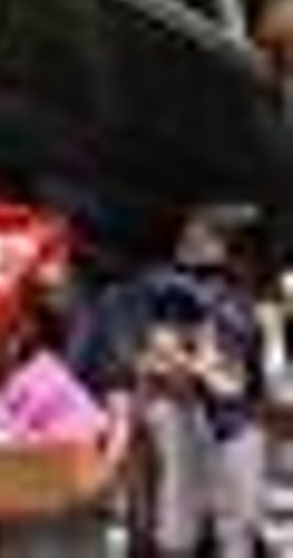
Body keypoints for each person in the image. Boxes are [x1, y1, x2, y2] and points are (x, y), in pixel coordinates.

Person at [75, 204, 265, 558]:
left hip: (209, 422)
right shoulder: (177, 293)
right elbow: (157, 364)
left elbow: (234, 373)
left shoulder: (217, 295)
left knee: (208, 523)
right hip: (192, 419)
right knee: (196, 524)